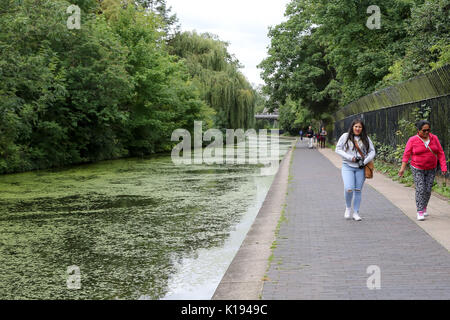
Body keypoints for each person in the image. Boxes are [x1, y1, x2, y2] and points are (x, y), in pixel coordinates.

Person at [398, 120, 447, 221]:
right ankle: (420, 211)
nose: (426, 132)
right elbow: (406, 154)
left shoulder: (434, 138)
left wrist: (443, 167)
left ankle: (424, 207)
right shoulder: (412, 140)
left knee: (428, 189)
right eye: (424, 130)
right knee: (421, 188)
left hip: (431, 168)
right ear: (418, 130)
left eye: (428, 130)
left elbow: (440, 153)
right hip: (417, 167)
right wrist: (402, 168)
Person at [335, 119, 376, 221]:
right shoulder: (345, 136)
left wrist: (365, 161)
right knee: (348, 188)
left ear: (362, 129)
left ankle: (356, 212)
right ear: (352, 127)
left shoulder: (366, 138)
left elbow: (372, 151)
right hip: (347, 166)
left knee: (358, 190)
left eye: (360, 127)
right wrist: (350, 157)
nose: (357, 129)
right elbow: (338, 149)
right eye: (356, 126)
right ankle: (348, 208)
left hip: (360, 168)